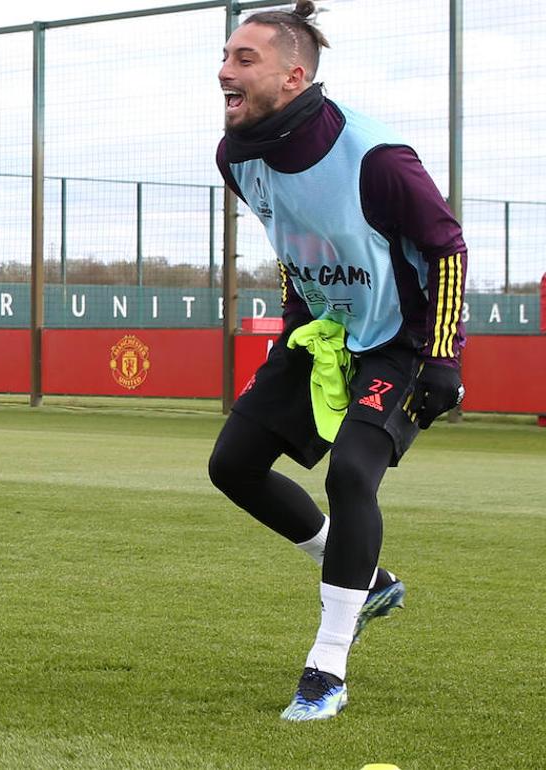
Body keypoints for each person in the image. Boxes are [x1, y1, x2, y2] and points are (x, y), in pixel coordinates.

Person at [207, 1, 466, 721]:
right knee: (232, 466)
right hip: (321, 331)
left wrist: (440, 356)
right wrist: (297, 326)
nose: (225, 72)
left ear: (294, 77)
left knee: (354, 471)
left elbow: (447, 248)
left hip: (404, 339)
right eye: (225, 57)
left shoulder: (377, 159)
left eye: (244, 60)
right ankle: (366, 579)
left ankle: (327, 668)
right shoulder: (235, 156)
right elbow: (293, 244)